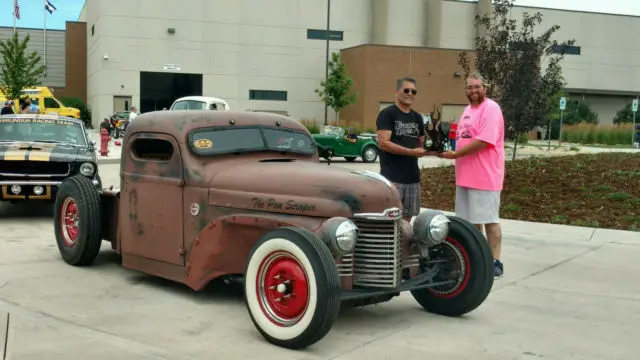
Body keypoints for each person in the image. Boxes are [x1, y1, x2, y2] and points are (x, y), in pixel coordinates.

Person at [440, 72, 506, 278]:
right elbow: (462, 138)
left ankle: (495, 262)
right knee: (470, 223)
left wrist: (455, 154)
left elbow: (483, 141)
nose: (474, 91)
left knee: (489, 221)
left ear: (485, 88)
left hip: (485, 178)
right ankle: (477, 260)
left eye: (477, 87)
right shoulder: (468, 110)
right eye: (470, 87)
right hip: (465, 177)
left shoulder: (491, 109)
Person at [377, 77, 438, 222]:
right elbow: (383, 143)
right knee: (389, 221)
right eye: (406, 90)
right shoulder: (387, 114)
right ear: (396, 92)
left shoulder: (417, 117)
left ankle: (403, 245)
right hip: (392, 179)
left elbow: (422, 146)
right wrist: (411, 152)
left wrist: (439, 151)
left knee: (406, 221)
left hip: (412, 179)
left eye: (413, 91)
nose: (410, 93)